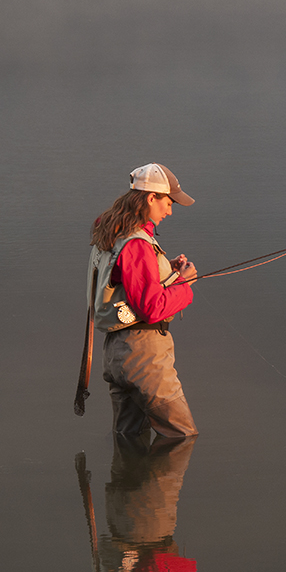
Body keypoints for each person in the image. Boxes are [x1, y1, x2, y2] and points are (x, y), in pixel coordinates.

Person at [88, 163, 200, 437]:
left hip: (116, 355)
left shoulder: (111, 230)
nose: (170, 211)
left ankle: (126, 480)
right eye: (168, 202)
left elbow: (124, 278)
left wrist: (166, 268)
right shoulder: (137, 242)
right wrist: (185, 284)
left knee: (129, 439)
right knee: (182, 437)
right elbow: (151, 308)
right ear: (151, 197)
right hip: (143, 357)